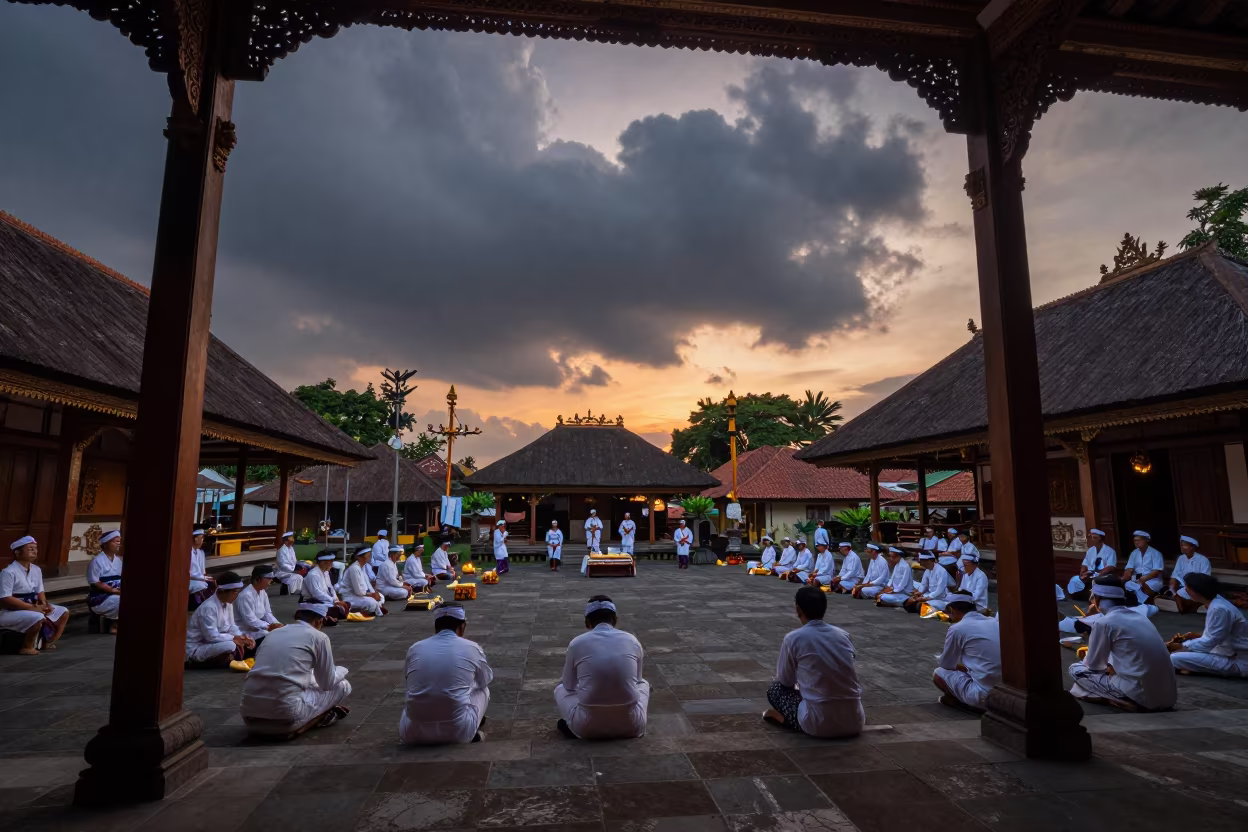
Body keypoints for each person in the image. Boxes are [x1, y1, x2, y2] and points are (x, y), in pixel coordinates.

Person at [763, 586, 864, 738]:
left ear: (798, 609)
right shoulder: (843, 635)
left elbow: (785, 681)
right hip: (854, 720)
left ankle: (784, 718)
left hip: (819, 724)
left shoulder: (793, 638)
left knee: (776, 689)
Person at [240, 602, 352, 736]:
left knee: (307, 677)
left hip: (250, 717)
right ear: (319, 621)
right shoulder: (319, 637)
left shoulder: (272, 634)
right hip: (285, 718)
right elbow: (327, 683)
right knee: (343, 685)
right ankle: (310, 721)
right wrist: (342, 670)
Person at [1068, 576, 1177, 712]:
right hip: (1169, 697)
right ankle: (1117, 695)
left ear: (1098, 599)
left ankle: (1118, 699)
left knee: (1076, 670)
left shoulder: (1104, 623)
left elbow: (1094, 667)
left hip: (1140, 695)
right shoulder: (1141, 618)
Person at [554, 596, 650, 740]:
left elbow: (568, 685)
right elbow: (636, 680)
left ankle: (573, 723)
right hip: (633, 725)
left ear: (587, 623)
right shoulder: (631, 640)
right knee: (643, 684)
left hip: (587, 728)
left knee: (560, 689)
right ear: (615, 620)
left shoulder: (577, 643)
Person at [399, 604, 493, 745]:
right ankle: (471, 725)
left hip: (412, 733)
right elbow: (485, 680)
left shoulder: (415, 648)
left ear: (436, 628)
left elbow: (409, 680)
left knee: (414, 694)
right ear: (462, 626)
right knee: (482, 689)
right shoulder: (472, 647)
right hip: (458, 733)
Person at [932, 591, 1001, 713]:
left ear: (953, 610)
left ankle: (964, 703)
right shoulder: (994, 622)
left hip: (984, 694)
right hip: (1006, 690)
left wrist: (958, 667)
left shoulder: (957, 628)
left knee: (939, 673)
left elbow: (946, 664)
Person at [1168, 573, 1248, 678]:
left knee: (1174, 658)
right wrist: (1194, 637)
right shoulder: (1217, 602)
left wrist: (1182, 646)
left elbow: (1210, 642)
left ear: (1195, 591)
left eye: (1187, 588)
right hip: (1226, 652)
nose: (1186, 591)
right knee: (1179, 653)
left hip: (1238, 662)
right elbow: (1218, 636)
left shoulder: (1218, 608)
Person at [0, 536, 69, 654]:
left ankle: (48, 641)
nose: (35, 551)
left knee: (63, 612)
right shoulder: (8, 572)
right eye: (30, 549)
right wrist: (33, 608)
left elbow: (40, 591)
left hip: (33, 605)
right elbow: (6, 598)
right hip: (10, 611)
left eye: (35, 549)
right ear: (17, 552)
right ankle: (27, 647)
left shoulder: (36, 569)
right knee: (37, 617)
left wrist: (44, 605)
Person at [185, 570, 252, 670]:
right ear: (224, 591)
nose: (236, 596)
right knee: (231, 645)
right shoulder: (209, 607)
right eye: (235, 592)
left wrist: (241, 637)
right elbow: (211, 636)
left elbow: (231, 626)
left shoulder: (228, 603)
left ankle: (230, 659)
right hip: (197, 647)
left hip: (213, 643)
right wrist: (233, 638)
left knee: (247, 640)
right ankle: (198, 663)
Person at [235, 564, 283, 650]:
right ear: (258, 579)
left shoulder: (263, 592)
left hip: (258, 627)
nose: (271, 581)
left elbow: (267, 613)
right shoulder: (245, 595)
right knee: (269, 635)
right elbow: (250, 620)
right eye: (268, 578)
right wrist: (269, 627)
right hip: (244, 630)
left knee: (281, 632)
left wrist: (277, 624)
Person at [86, 529, 123, 632]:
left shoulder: (118, 561)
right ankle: (114, 625)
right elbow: (95, 582)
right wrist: (113, 591)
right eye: (115, 541)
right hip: (100, 597)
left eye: (119, 541)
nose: (118, 544)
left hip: (116, 592)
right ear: (106, 544)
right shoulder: (97, 561)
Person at [1167, 535, 1212, 613]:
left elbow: (1205, 578)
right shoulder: (1181, 558)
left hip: (1197, 586)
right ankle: (1188, 606)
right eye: (1181, 545)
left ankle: (1184, 608)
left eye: (1185, 545)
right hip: (1183, 585)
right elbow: (1175, 572)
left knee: (1180, 595)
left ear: (1192, 547)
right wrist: (1173, 580)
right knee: (1174, 590)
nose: (1182, 547)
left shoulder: (1203, 560)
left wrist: (1192, 585)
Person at [1066, 528, 1116, 599]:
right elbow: (1085, 564)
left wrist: (1098, 574)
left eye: (1095, 538)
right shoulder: (1090, 550)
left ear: (1100, 539)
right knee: (1075, 579)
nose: (1092, 539)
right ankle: (1078, 596)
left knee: (1096, 581)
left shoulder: (1110, 551)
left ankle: (1093, 596)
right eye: (1091, 537)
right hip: (1089, 574)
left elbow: (1110, 567)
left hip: (1102, 575)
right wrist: (1083, 572)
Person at [302, 552, 349, 624]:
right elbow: (317, 594)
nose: (332, 565)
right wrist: (333, 601)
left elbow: (331, 589)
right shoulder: (313, 575)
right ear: (324, 563)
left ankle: (329, 617)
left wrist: (336, 601)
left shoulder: (326, 573)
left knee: (346, 605)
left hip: (325, 601)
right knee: (336, 609)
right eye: (331, 562)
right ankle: (325, 618)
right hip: (312, 602)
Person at [339, 545, 385, 617]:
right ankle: (361, 610)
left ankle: (374, 607)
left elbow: (368, 585)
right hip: (351, 597)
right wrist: (371, 595)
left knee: (381, 596)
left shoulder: (362, 567)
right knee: (372, 602)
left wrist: (374, 593)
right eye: (368, 554)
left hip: (361, 595)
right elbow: (359, 591)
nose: (370, 555)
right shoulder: (354, 568)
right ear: (360, 557)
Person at [1122, 530, 1164, 604]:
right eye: (1135, 540)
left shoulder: (1156, 553)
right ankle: (1140, 601)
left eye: (1138, 540)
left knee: (1145, 585)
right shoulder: (1134, 553)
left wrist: (1144, 578)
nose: (1136, 542)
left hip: (1152, 580)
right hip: (1136, 580)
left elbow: (1156, 571)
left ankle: (1148, 602)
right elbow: (1129, 568)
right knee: (1126, 584)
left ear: (1146, 540)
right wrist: (1126, 574)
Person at [189, 527, 215, 610]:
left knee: (212, 583)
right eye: (201, 537)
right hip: (190, 578)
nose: (202, 540)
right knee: (199, 585)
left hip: (199, 578)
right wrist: (202, 578)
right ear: (195, 538)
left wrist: (205, 577)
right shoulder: (188, 552)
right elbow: (188, 572)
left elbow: (203, 571)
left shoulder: (201, 552)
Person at [273, 530, 306, 595]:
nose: (292, 541)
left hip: (291, 571)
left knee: (300, 577)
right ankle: (289, 592)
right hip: (283, 572)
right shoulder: (281, 551)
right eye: (291, 539)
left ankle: (295, 592)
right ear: (286, 540)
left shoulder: (291, 549)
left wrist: (299, 565)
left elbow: (294, 560)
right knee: (296, 577)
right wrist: (293, 568)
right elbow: (283, 565)